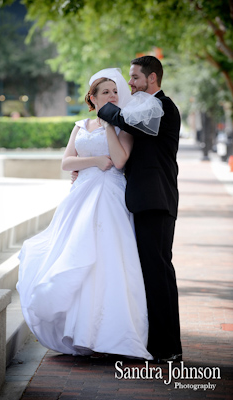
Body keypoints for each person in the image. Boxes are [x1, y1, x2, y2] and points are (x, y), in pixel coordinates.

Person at [16, 68, 153, 360]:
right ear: (92, 97)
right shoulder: (80, 124)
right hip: (81, 197)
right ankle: (82, 333)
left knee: (107, 262)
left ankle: (110, 334)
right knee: (77, 257)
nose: (113, 96)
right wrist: (93, 160)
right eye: (106, 92)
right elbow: (67, 163)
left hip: (110, 198)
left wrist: (108, 127)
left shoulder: (124, 126)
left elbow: (118, 161)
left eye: (116, 92)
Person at [98, 56, 182, 363]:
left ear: (153, 78)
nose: (130, 83)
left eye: (135, 77)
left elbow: (127, 122)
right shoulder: (147, 106)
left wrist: (103, 108)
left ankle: (169, 347)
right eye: (131, 78)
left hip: (156, 200)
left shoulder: (161, 107)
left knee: (159, 272)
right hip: (144, 200)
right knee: (150, 272)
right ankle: (156, 342)